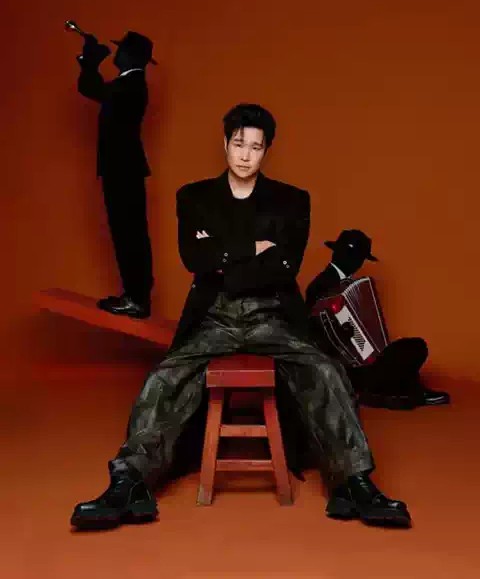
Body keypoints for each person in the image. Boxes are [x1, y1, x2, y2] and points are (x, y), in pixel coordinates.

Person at [71, 104, 411, 530]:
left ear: (266, 150)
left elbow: (283, 267)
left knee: (325, 370)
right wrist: (255, 248)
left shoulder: (292, 200)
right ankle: (128, 483)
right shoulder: (193, 197)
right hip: (213, 314)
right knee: (165, 378)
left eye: (256, 147)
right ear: (225, 143)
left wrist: (224, 254)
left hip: (273, 314)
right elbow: (195, 259)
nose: (245, 155)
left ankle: (354, 482)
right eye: (238, 144)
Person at [305, 230, 450, 409]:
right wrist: (347, 338)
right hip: (346, 367)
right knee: (404, 355)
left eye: (360, 259)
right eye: (355, 257)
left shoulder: (353, 286)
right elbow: (317, 334)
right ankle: (407, 394)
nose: (357, 263)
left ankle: (388, 393)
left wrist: (372, 347)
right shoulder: (319, 286)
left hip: (365, 362)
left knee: (414, 346)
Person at [77, 31, 155, 318]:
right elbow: (92, 89)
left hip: (123, 171)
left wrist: (91, 61)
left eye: (121, 50)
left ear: (131, 56)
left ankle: (137, 298)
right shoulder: (128, 84)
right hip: (121, 170)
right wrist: (89, 62)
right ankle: (135, 296)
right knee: (127, 234)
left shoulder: (131, 85)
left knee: (129, 234)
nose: (117, 54)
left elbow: (94, 89)